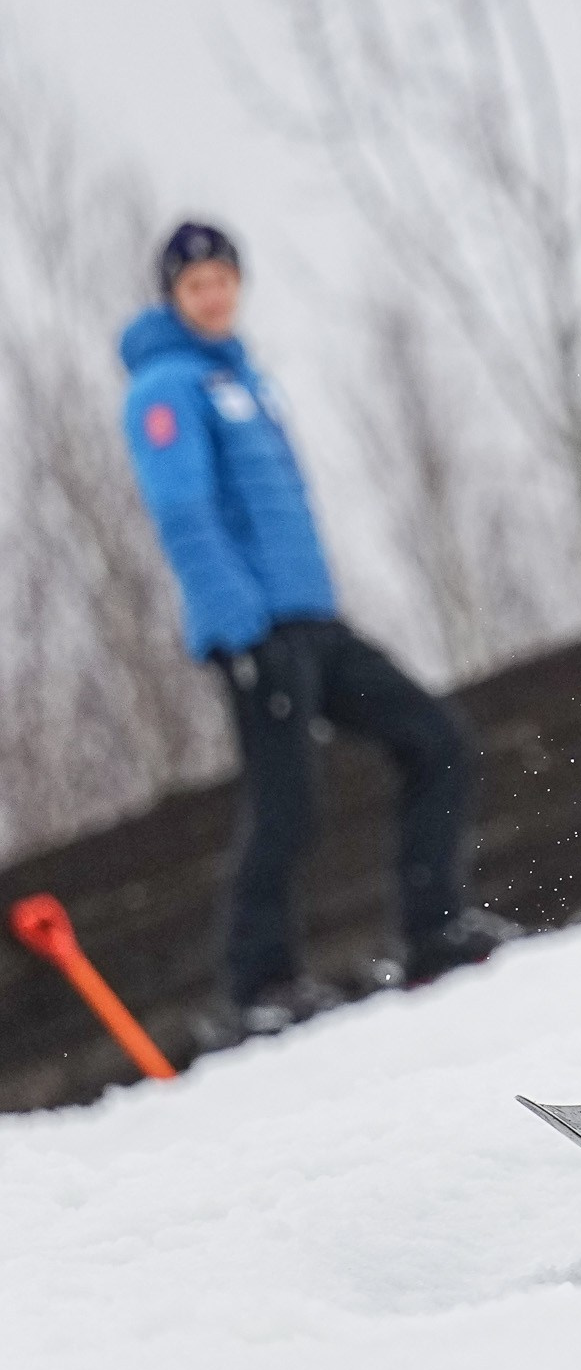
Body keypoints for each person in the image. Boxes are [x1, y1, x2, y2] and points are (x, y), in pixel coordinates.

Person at [119, 221, 517, 1036]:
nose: (214, 294)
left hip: (314, 620)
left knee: (435, 736)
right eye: (196, 285)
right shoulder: (165, 387)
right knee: (287, 804)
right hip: (257, 631)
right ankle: (259, 983)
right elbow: (184, 513)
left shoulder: (247, 381)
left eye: (223, 278)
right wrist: (240, 628)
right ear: (173, 297)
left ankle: (433, 926)